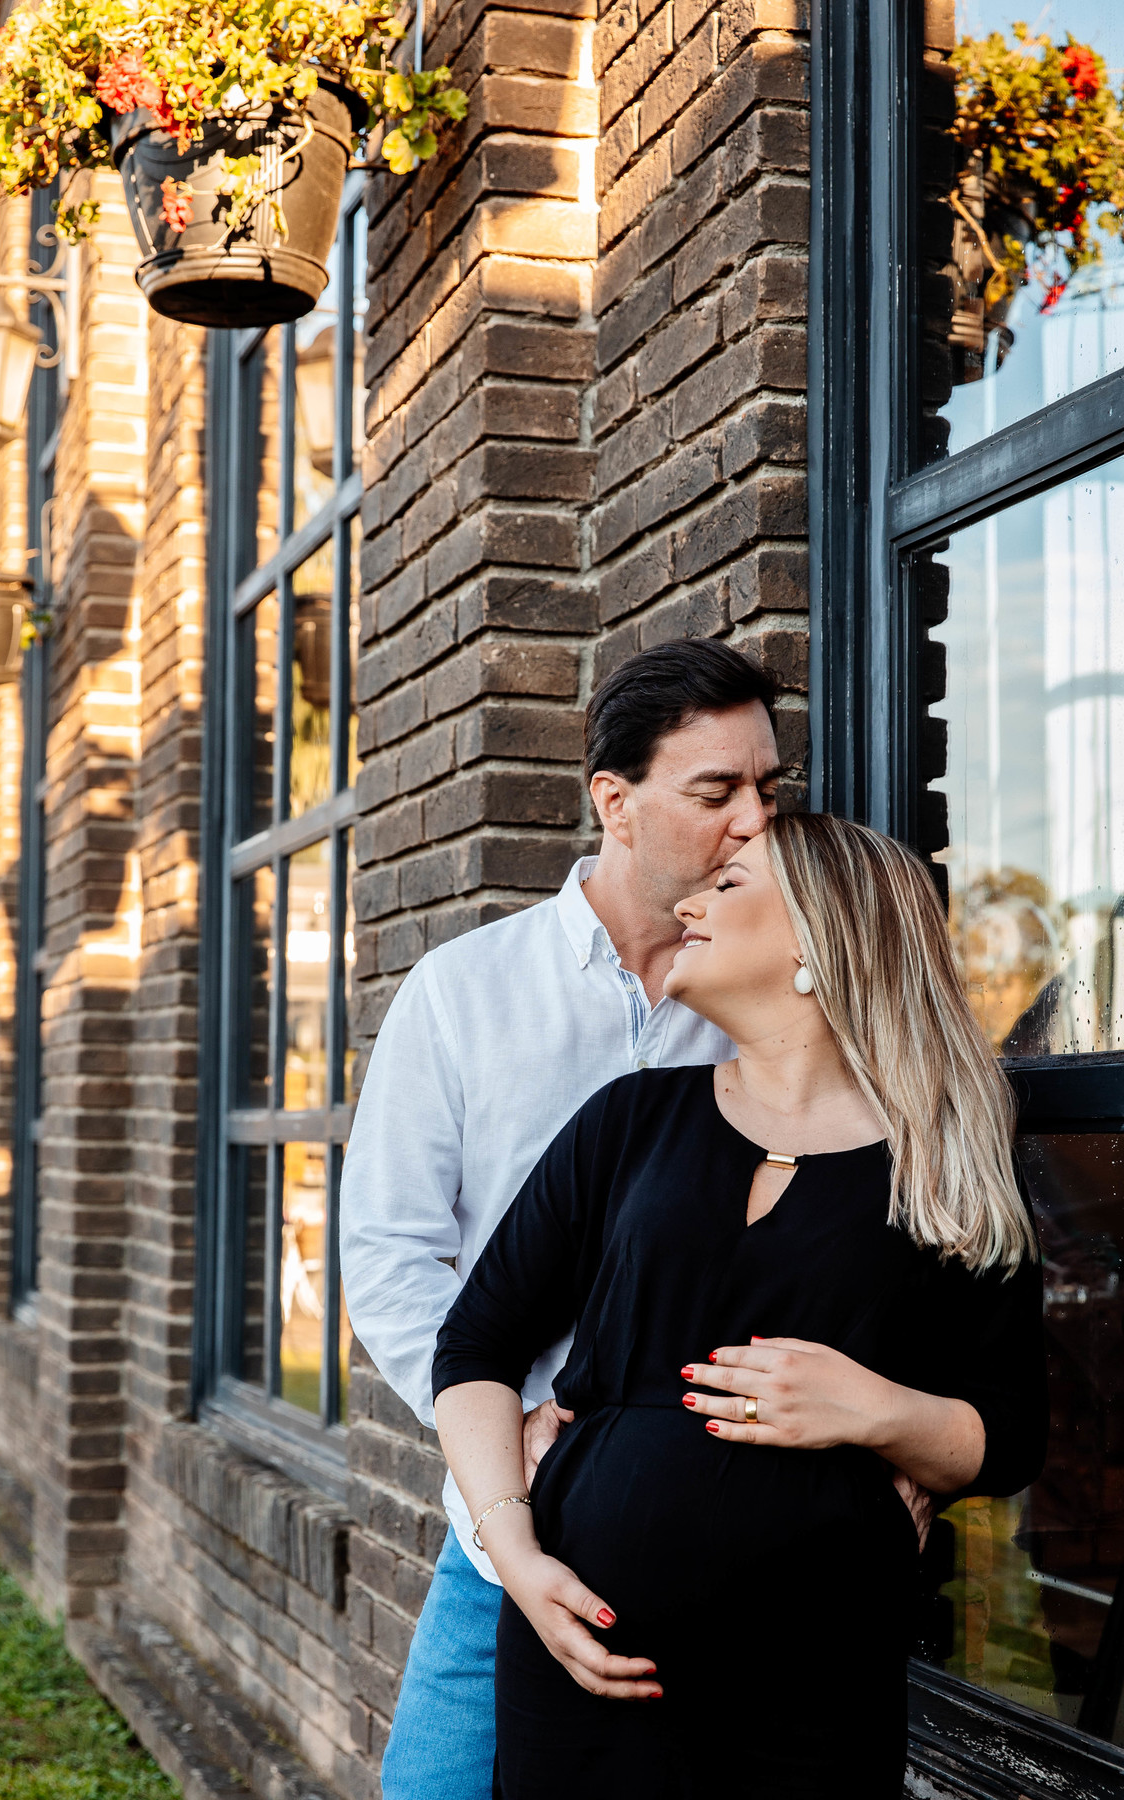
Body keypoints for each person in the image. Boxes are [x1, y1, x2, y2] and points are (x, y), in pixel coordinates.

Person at [432, 815, 1049, 1800]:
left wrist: (878, 1412)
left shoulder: (947, 1164)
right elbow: (475, 1343)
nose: (689, 904)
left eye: (729, 886)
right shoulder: (629, 1119)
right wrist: (514, 1554)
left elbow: (1011, 1433)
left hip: (809, 1688)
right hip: (581, 1659)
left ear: (817, 938)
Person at [340, 641, 784, 1800]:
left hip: (714, 1531)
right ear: (614, 802)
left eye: (766, 788)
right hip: (507, 1528)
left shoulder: (776, 1001)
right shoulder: (463, 993)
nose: (754, 821)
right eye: (716, 790)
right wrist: (513, 1427)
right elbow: (388, 1252)